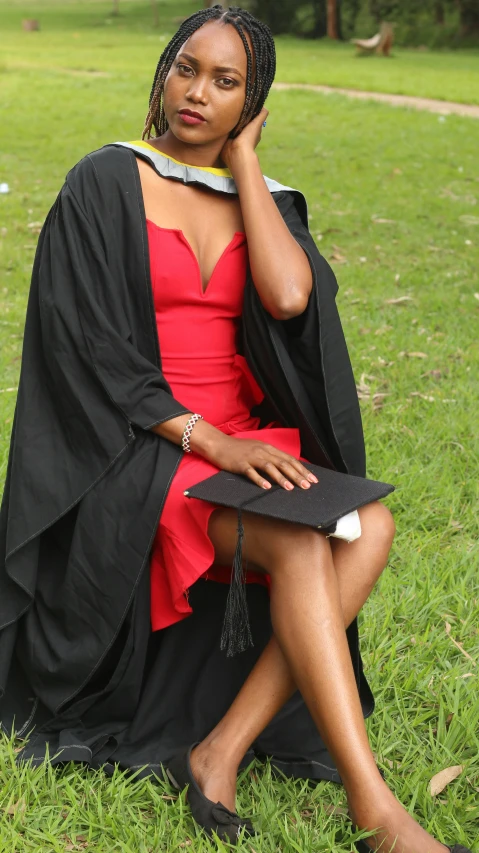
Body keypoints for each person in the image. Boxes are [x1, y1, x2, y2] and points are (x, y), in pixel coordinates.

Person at [0, 5, 471, 853]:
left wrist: (246, 162)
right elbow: (90, 350)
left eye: (226, 82)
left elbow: (289, 299)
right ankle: (378, 813)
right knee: (296, 541)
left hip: (242, 442)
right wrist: (209, 440)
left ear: (253, 101)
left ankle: (219, 748)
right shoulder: (104, 182)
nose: (196, 93)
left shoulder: (262, 196)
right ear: (162, 71)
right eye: (187, 68)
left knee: (370, 529)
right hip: (145, 446)